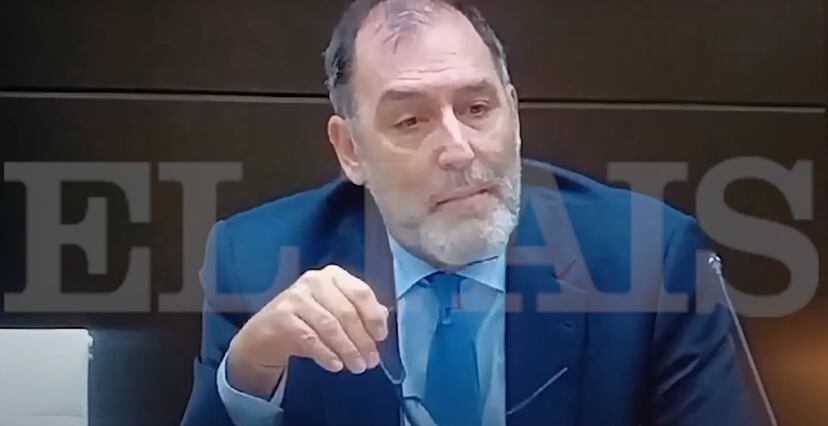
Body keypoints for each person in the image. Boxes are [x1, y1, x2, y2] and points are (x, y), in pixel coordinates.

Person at [182, 0, 774, 425]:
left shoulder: (651, 261)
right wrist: (251, 371)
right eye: (410, 120)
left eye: (476, 108)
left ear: (513, 116)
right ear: (350, 149)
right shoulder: (256, 261)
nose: (459, 150)